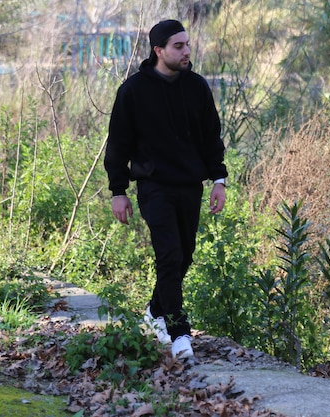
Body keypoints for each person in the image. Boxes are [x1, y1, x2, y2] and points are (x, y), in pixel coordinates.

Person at [103, 19, 228, 358]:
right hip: (153, 186)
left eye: (187, 44)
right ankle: (179, 335)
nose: (187, 51)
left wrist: (219, 180)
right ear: (158, 51)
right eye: (178, 46)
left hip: (190, 186)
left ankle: (154, 312)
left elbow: (210, 137)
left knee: (184, 256)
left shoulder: (197, 87)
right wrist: (118, 190)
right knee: (169, 256)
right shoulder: (134, 90)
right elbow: (118, 145)